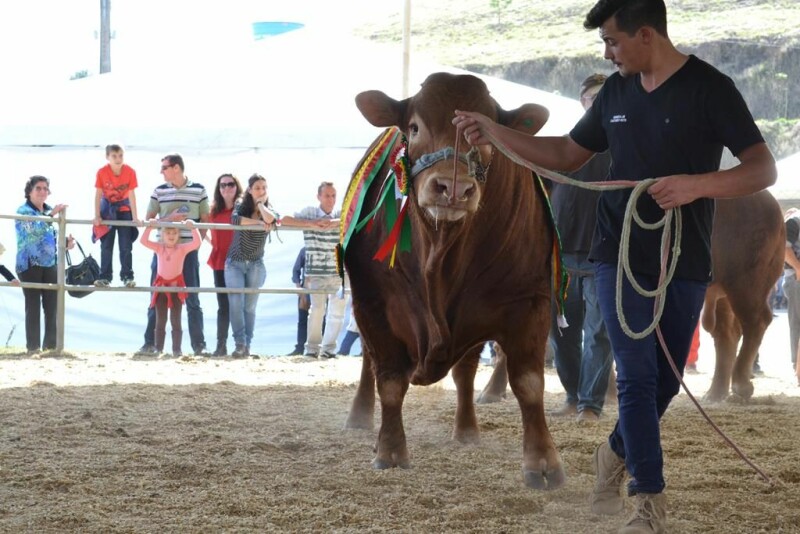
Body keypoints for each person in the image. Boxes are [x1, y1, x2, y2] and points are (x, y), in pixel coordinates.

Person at [453, 1, 776, 531]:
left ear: (645, 34)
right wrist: (494, 131)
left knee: (666, 382)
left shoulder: (710, 88)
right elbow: (564, 153)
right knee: (636, 378)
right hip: (618, 251)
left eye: (612, 41)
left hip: (686, 254)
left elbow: (761, 167)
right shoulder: (615, 94)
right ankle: (648, 497)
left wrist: (696, 185)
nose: (607, 53)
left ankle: (613, 453)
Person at [549, 73, 614, 423]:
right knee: (561, 333)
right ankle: (573, 396)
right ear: (582, 102)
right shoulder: (562, 146)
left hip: (605, 255)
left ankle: (590, 404)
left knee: (599, 333)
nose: (597, 102)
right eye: (592, 97)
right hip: (561, 256)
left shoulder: (625, 146)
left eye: (604, 97)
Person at [137, 154, 210, 356]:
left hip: (188, 252)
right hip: (162, 253)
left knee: (193, 298)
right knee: (156, 296)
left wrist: (196, 245)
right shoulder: (159, 191)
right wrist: (170, 219)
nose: (161, 171)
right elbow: (149, 219)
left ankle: (199, 345)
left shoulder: (199, 189)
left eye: (164, 167)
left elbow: (205, 219)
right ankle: (149, 343)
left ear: (176, 168)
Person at [281, 182, 345, 358]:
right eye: (327, 195)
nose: (330, 200)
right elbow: (284, 219)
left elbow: (354, 220)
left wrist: (334, 222)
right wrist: (312, 224)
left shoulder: (341, 214)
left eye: (333, 196)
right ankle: (312, 349)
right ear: (318, 197)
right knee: (317, 310)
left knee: (337, 312)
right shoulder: (309, 212)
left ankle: (329, 349)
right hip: (316, 270)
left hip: (339, 270)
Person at [14, 176, 75, 354]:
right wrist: (51, 215)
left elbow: (49, 237)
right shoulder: (23, 210)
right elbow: (33, 232)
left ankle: (50, 347)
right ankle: (33, 348)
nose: (42, 192)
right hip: (29, 264)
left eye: (45, 188)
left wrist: (65, 243)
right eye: (38, 188)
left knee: (52, 306)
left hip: (50, 264)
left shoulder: (49, 211)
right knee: (32, 306)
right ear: (29, 192)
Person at [224, 173, 279, 358]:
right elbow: (235, 220)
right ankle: (239, 343)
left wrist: (261, 206)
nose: (261, 191)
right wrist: (258, 222)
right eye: (257, 188)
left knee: (250, 306)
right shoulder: (241, 205)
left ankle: (247, 345)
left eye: (264, 188)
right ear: (249, 190)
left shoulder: (269, 208)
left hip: (255, 263)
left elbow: (272, 220)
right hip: (235, 263)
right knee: (236, 303)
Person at [140, 220, 201, 356]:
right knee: (160, 320)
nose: (171, 235)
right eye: (168, 233)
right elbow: (143, 241)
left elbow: (197, 243)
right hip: (161, 289)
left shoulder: (182, 248)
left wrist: (193, 228)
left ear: (178, 235)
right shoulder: (159, 247)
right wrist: (149, 227)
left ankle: (176, 350)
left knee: (176, 320)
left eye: (174, 233)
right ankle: (158, 348)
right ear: (162, 235)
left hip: (176, 290)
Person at [92, 144, 140, 288]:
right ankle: (105, 277)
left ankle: (127, 276)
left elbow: (132, 195)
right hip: (107, 210)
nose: (118, 159)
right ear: (108, 157)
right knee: (106, 245)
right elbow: (98, 195)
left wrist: (135, 217)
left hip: (124, 209)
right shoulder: (102, 172)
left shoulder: (130, 171)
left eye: (120, 156)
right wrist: (97, 215)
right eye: (114, 156)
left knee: (125, 245)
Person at [206, 173, 243, 356]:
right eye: (222, 185)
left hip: (239, 263)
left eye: (230, 184)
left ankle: (241, 345)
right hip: (220, 262)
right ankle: (221, 345)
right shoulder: (213, 211)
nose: (226, 188)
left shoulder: (243, 209)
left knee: (240, 305)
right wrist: (213, 244)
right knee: (224, 305)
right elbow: (202, 229)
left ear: (237, 186)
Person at [783, 207, 800, 373]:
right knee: (797, 323)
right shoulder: (794, 221)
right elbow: (784, 248)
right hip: (796, 279)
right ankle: (797, 366)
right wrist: (798, 269)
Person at [286, 246, 310, 356]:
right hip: (306, 289)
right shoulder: (305, 250)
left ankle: (317, 347)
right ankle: (300, 347)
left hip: (321, 289)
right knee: (302, 320)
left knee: (322, 319)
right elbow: (296, 270)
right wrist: (298, 287)